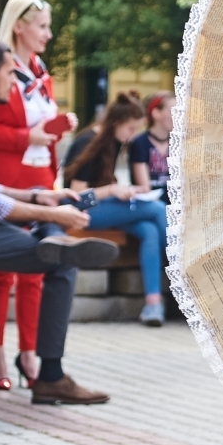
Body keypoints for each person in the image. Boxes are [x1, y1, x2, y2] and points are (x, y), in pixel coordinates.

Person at [0, 37, 118, 403]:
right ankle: (50, 377)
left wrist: (38, 196)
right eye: (9, 74)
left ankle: (49, 233)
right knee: (62, 261)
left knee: (47, 219)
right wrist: (53, 212)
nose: (13, 83)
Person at [0, 0, 78, 390]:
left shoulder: (42, 73)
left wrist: (57, 127)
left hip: (42, 178)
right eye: (42, 26)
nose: (48, 34)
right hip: (8, 180)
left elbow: (40, 130)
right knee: (2, 271)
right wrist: (28, 136)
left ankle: (28, 353)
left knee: (39, 268)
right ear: (19, 26)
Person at [63, 92, 168, 327]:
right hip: (81, 212)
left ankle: (153, 304)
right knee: (158, 209)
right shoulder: (89, 142)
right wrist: (112, 190)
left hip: (103, 208)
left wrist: (124, 190)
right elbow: (77, 195)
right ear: (116, 123)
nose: (133, 135)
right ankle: (182, 274)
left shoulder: (113, 140)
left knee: (149, 230)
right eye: (131, 128)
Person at [129, 91, 175, 204]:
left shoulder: (180, 143)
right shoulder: (140, 143)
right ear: (156, 113)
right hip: (151, 204)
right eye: (173, 111)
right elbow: (145, 188)